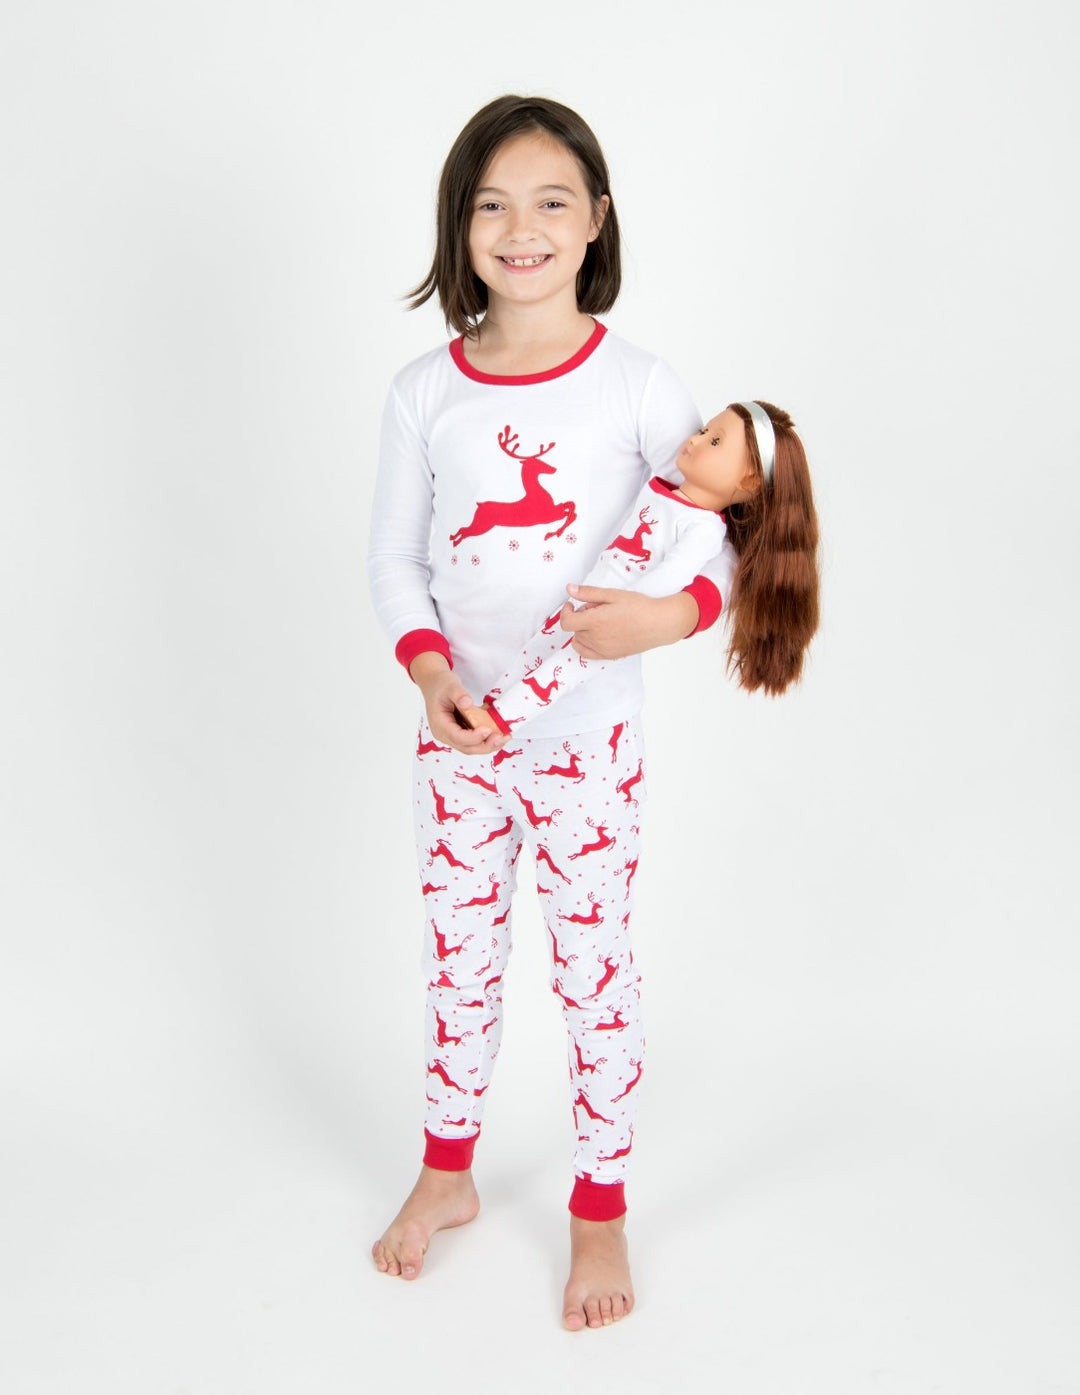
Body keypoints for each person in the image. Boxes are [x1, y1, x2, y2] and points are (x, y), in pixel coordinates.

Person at [368, 93, 762, 1331]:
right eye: (491, 204)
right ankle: (447, 1170)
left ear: (596, 219)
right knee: (459, 958)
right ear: (459, 225)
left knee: (592, 969)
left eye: (550, 201)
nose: (520, 228)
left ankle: (599, 1207)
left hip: (587, 744)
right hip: (460, 741)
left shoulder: (638, 387)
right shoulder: (426, 391)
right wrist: (432, 675)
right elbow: (396, 559)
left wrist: (666, 619)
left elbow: (723, 535)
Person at [459, 398, 819, 736]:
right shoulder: (662, 492)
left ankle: (499, 722)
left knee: (563, 668)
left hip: (617, 616)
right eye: (704, 431)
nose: (696, 439)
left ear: (749, 481)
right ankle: (492, 703)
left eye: (715, 442)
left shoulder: (704, 529)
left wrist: (626, 613)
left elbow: (671, 577)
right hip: (594, 589)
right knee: (541, 643)